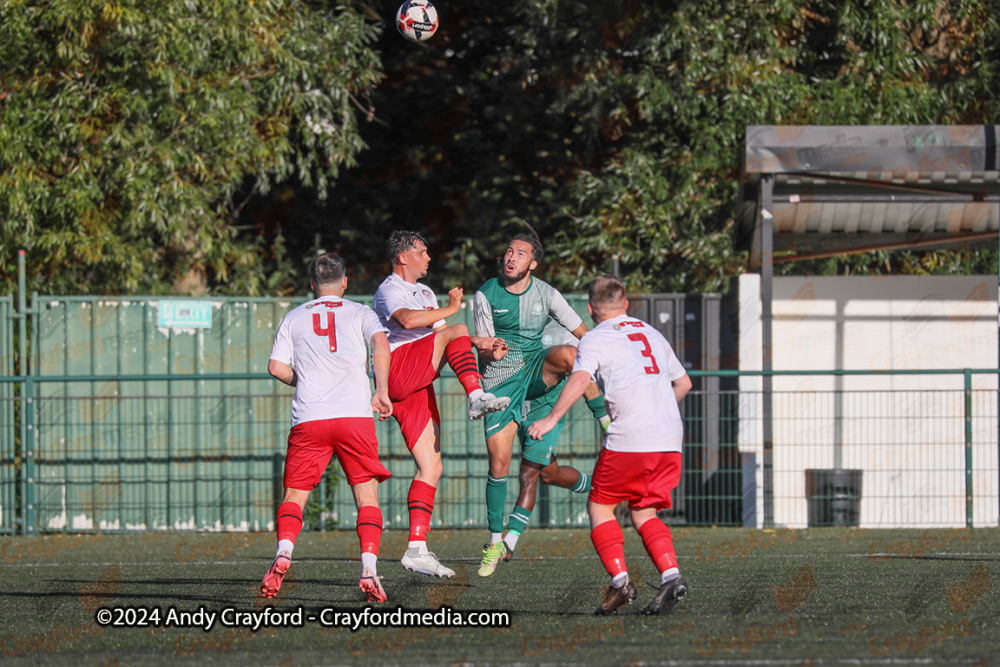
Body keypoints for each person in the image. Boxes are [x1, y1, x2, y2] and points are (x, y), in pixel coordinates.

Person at [528, 274, 693, 615]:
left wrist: (550, 419)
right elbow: (685, 384)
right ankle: (671, 576)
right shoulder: (653, 333)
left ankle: (621, 583)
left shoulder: (596, 338)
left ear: (590, 308)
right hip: (669, 438)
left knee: (601, 507)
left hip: (631, 438)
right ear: (626, 303)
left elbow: (579, 378)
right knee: (643, 510)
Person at [373, 230, 511, 578]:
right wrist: (452, 311)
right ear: (403, 257)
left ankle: (416, 548)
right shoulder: (390, 288)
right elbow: (406, 321)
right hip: (400, 369)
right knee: (456, 326)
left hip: (416, 382)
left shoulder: (424, 292)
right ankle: (476, 396)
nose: (428, 258)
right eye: (422, 252)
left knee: (431, 467)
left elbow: (450, 337)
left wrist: (485, 345)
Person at [472, 233, 610, 577]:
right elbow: (483, 346)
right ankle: (495, 542)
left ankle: (609, 425)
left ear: (532, 263)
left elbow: (583, 332)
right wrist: (491, 349)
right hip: (501, 378)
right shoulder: (485, 294)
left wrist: (613, 354)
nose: (511, 257)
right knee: (501, 463)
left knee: (571, 356)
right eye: (508, 251)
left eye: (521, 253)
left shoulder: (546, 293)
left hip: (536, 374)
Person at [261, 253, 394, 604]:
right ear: (345, 282)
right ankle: (368, 568)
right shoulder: (361, 312)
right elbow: (381, 343)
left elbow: (276, 367)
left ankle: (284, 552)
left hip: (310, 418)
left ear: (311, 285)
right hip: (354, 416)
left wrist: (302, 380)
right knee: (366, 497)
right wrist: (381, 391)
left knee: (295, 496)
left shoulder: (293, 317)